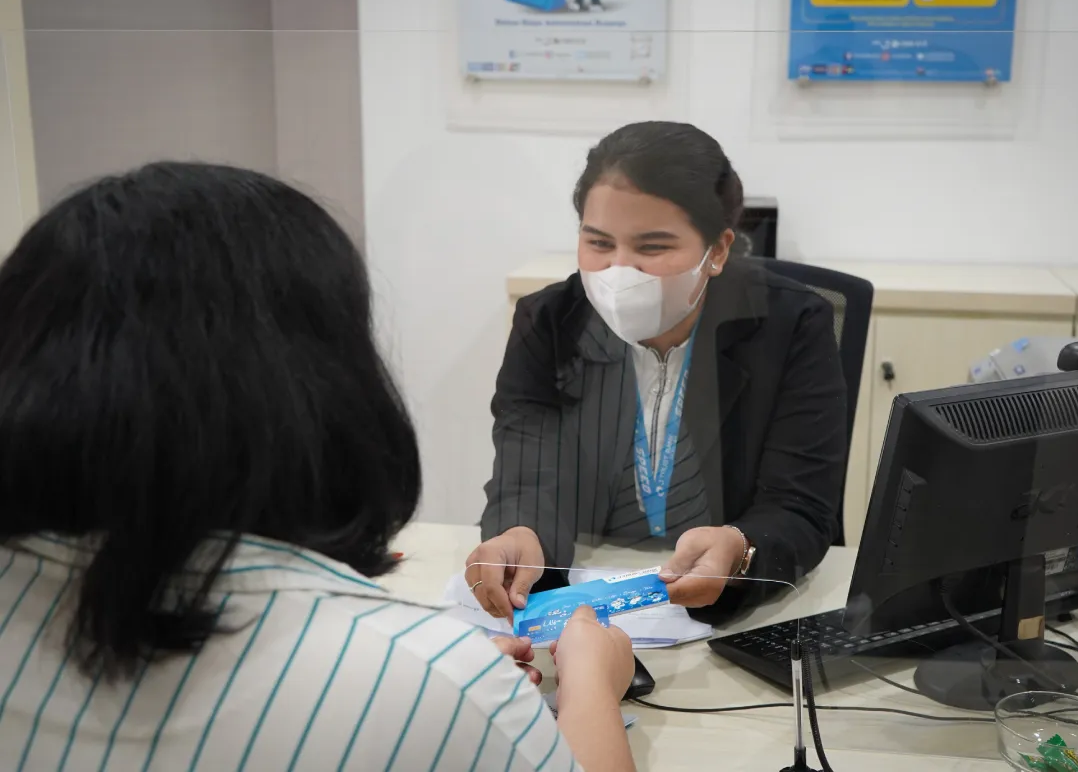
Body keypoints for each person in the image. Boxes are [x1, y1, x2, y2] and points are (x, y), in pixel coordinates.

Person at [0, 162, 635, 772]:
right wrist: (588, 684)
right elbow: (530, 457)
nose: (620, 268)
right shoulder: (421, 681)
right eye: (598, 240)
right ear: (324, 387)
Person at [468, 121, 848, 624]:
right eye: (599, 243)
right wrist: (521, 533)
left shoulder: (790, 324)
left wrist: (741, 547)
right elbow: (527, 475)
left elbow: (800, 505)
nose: (619, 271)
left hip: (728, 616)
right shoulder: (550, 322)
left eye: (652, 248)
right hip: (587, 602)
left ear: (717, 251)